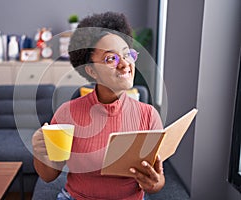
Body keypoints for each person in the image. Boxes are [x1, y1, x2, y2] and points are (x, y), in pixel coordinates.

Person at [32, 12, 165, 200]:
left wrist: (154, 183)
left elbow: (158, 181)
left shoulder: (149, 115)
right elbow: (48, 175)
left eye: (127, 54)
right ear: (91, 70)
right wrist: (39, 153)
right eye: (111, 59)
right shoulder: (68, 113)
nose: (125, 64)